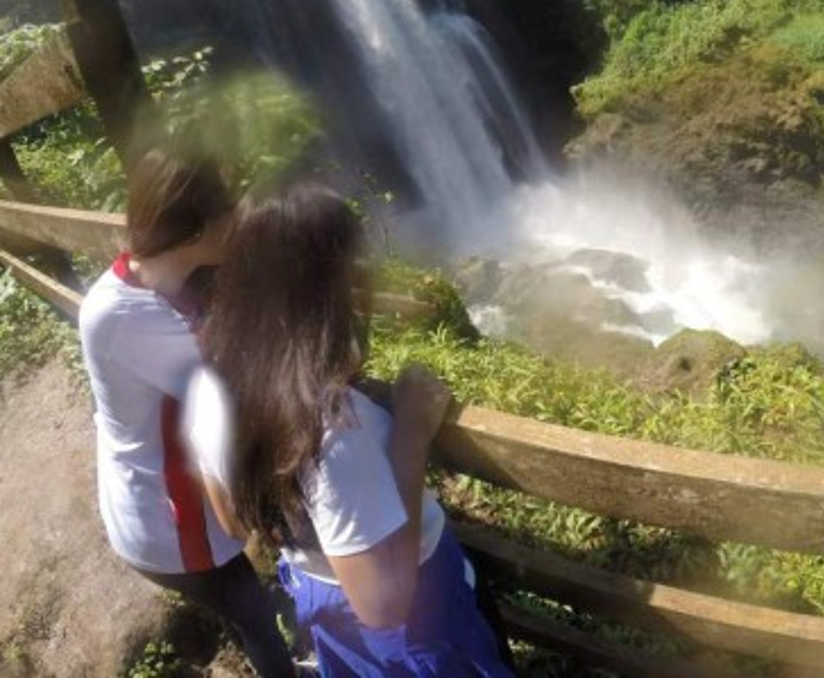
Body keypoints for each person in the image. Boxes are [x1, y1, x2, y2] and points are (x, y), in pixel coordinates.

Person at [185, 179, 514, 677]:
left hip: (320, 600)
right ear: (331, 286)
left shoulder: (213, 385)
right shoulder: (335, 432)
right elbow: (382, 608)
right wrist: (410, 440)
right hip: (417, 626)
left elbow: (232, 522)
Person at [77, 141, 297, 677]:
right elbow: (249, 371)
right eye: (230, 208)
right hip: (174, 523)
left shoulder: (159, 280)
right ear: (195, 230)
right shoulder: (121, 315)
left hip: (161, 493)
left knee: (246, 606)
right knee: (258, 621)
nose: (240, 216)